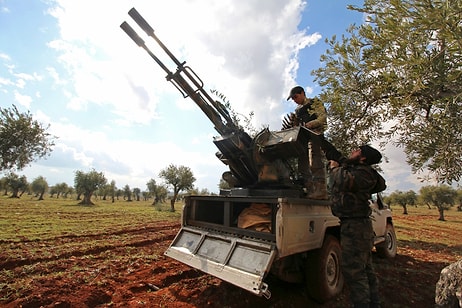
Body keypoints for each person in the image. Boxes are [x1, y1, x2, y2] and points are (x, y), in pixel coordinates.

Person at [321, 138, 386, 308]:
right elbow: (335, 154)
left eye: (357, 150)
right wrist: (320, 139)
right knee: (365, 269)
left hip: (356, 227)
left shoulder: (365, 174)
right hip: (356, 226)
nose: (353, 151)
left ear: (363, 158)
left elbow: (340, 180)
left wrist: (334, 168)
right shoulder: (356, 168)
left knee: (355, 272)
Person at [286, 86, 328, 199]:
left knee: (315, 163)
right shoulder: (298, 110)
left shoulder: (315, 102)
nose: (294, 100)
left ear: (303, 93)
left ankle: (321, 191)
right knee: (303, 166)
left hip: (315, 136)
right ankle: (310, 190)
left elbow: (322, 118)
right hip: (303, 140)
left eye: (296, 97)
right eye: (293, 99)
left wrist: (310, 124)